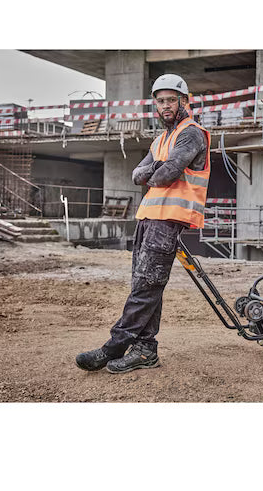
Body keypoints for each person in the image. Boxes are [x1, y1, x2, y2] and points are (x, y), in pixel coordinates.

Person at [76, 74, 211, 373]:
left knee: (146, 286)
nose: (165, 106)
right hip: (148, 217)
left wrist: (155, 170)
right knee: (145, 285)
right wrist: (155, 169)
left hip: (168, 221)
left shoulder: (191, 134)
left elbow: (164, 175)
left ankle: (113, 347)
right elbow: (136, 175)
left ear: (185, 102)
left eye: (171, 100)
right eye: (160, 101)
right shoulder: (161, 140)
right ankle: (145, 349)